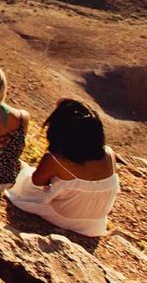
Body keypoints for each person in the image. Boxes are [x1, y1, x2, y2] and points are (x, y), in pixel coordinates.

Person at [6, 99, 120, 237]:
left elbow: (37, 182)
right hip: (94, 224)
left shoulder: (55, 159)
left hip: (63, 217)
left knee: (20, 178)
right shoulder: (109, 154)